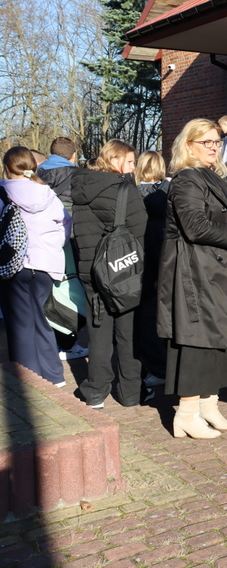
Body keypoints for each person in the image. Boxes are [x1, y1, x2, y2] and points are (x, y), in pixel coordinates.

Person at [158, 118, 227, 439]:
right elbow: (195, 227)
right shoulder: (187, 179)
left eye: (216, 141)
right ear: (188, 146)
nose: (213, 147)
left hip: (214, 268)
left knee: (218, 336)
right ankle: (186, 414)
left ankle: (209, 404)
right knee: (196, 339)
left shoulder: (212, 176)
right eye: (205, 142)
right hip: (193, 270)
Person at [71, 139, 149, 408]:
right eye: (130, 161)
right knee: (128, 333)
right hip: (123, 271)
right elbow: (140, 232)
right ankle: (130, 392)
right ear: (115, 160)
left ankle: (96, 391)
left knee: (98, 332)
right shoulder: (124, 189)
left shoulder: (79, 187)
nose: (133, 167)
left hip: (91, 270)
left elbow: (79, 231)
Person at [0, 147, 71, 386]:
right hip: (45, 264)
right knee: (41, 319)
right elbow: (65, 224)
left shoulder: (3, 192)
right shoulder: (48, 194)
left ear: (6, 168)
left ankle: (27, 379)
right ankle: (54, 375)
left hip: (13, 265)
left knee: (19, 323)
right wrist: (52, 247)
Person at [37, 136, 89, 361]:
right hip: (72, 240)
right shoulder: (79, 176)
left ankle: (50, 342)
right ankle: (68, 342)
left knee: (46, 293)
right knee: (71, 288)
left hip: (41, 244)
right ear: (73, 155)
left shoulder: (36, 175)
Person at [134, 151, 170, 386]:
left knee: (146, 317)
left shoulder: (133, 193)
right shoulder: (169, 191)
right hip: (166, 259)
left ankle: (154, 367)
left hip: (142, 261)